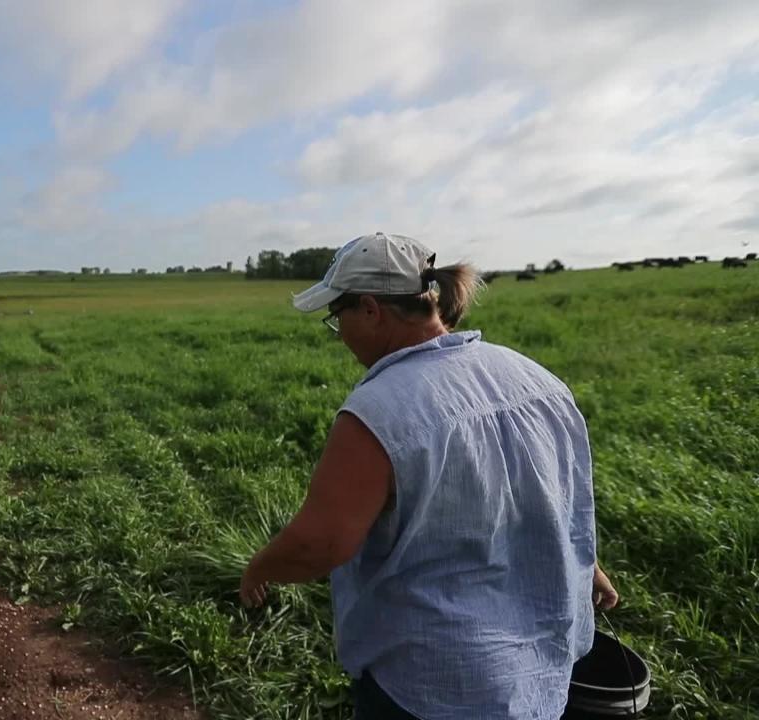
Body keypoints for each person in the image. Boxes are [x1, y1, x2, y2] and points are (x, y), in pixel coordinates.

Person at [239, 233, 619, 719]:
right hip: (545, 673)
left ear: (372, 310)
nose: (340, 334)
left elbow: (321, 544)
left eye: (338, 318)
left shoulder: (377, 413)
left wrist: (259, 569)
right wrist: (585, 566)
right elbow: (553, 497)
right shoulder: (536, 380)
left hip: (435, 684)